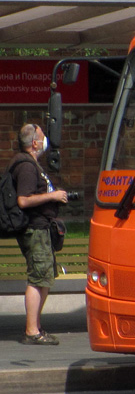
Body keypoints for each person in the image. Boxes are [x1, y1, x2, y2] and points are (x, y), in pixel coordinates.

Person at [11, 123, 68, 345]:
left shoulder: (32, 164)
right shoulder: (26, 166)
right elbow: (23, 200)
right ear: (34, 143)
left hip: (42, 228)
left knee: (44, 277)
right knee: (37, 279)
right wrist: (52, 197)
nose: (45, 141)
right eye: (42, 137)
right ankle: (32, 331)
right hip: (34, 229)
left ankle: (35, 327)